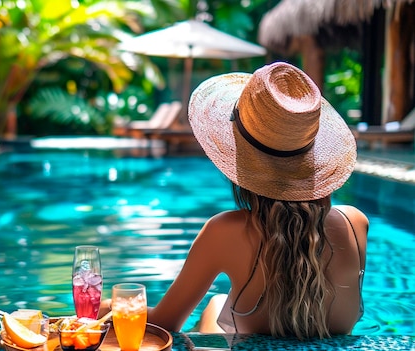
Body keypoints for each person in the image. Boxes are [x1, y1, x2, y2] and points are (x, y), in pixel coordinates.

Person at [100, 62, 368, 340]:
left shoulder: (224, 231)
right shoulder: (356, 224)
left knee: (215, 306)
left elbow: (165, 324)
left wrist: (106, 306)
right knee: (218, 304)